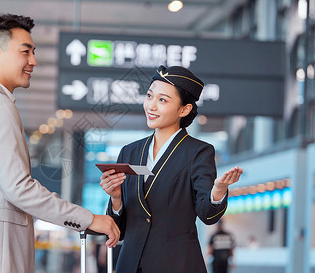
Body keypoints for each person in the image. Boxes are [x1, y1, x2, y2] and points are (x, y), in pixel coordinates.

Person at [0, 14, 120, 273]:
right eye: (25, 51)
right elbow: (18, 188)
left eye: (34, 52)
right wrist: (88, 219)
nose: (33, 61)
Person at [99, 65, 243, 273]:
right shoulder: (129, 152)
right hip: (131, 264)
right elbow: (118, 231)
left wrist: (218, 190)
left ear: (184, 110)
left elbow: (208, 215)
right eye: (149, 96)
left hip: (177, 264)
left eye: (163, 100)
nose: (151, 106)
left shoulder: (198, 152)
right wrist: (116, 198)